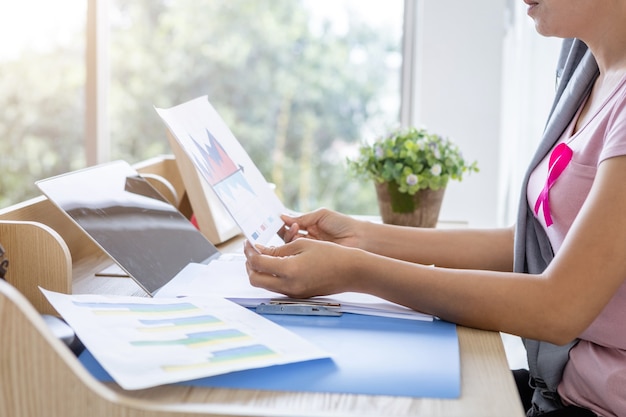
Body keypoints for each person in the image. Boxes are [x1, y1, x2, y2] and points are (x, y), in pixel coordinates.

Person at [243, 1, 626, 416]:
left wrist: (354, 270)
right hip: (561, 389)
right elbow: (542, 245)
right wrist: (366, 239)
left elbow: (561, 306)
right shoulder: (588, 70)